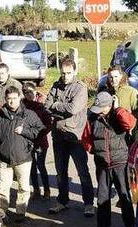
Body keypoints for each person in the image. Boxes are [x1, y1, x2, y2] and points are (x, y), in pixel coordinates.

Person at [81, 92, 137, 227]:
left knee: (124, 195)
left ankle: (130, 226)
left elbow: (131, 123)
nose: (98, 111)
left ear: (109, 105)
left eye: (101, 107)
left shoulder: (119, 115)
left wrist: (118, 109)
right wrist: (92, 149)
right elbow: (86, 136)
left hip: (120, 162)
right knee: (102, 196)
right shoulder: (92, 118)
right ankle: (103, 225)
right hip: (102, 163)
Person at [45, 58, 95, 216]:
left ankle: (88, 203)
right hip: (58, 135)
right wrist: (57, 108)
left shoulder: (80, 88)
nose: (65, 76)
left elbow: (73, 109)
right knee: (60, 171)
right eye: (63, 73)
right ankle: (62, 201)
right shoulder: (56, 85)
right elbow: (46, 106)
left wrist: (56, 106)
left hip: (75, 136)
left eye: (68, 73)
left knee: (82, 171)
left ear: (74, 72)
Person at [0, 86, 44, 222]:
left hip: (23, 158)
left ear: (19, 98)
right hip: (4, 158)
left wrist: (25, 131)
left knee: (23, 187)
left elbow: (40, 130)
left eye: (14, 98)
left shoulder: (29, 114)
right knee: (2, 189)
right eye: (9, 99)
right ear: (5, 99)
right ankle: (2, 213)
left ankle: (20, 212)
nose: (12, 101)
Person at [22, 83, 53, 199]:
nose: (28, 95)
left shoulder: (42, 105)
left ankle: (47, 189)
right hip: (27, 140)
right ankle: (36, 189)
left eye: (30, 92)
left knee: (41, 165)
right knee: (31, 166)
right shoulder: (22, 106)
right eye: (26, 93)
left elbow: (49, 123)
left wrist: (41, 134)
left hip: (40, 140)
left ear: (35, 92)